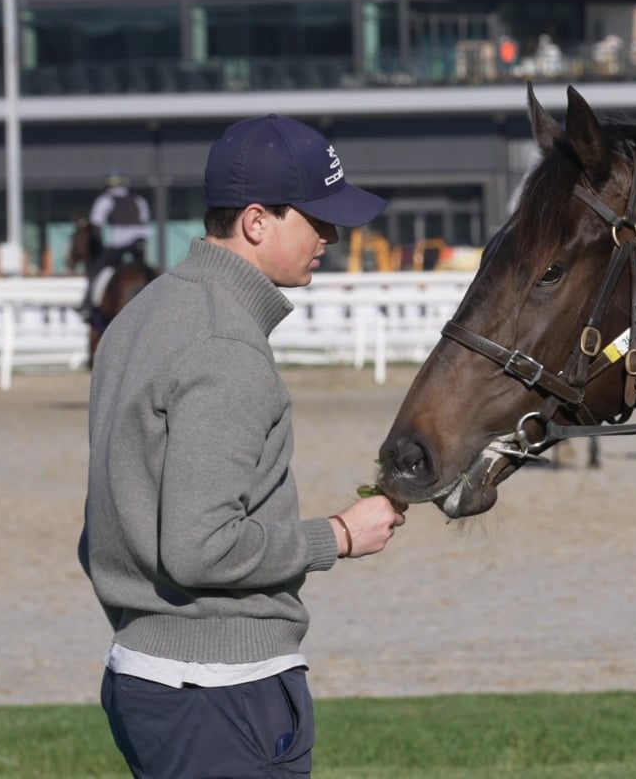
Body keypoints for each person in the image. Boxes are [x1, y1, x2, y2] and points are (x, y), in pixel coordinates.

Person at [80, 114, 406, 777]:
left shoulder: (140, 313)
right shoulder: (225, 345)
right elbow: (201, 547)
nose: (331, 237)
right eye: (317, 219)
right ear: (257, 221)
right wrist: (339, 536)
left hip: (151, 674)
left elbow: (104, 527)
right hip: (222, 688)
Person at [83, 173, 155, 320]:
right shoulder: (138, 199)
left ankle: (88, 306)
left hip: (119, 243)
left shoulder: (105, 199)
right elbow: (145, 220)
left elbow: (96, 223)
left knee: (96, 271)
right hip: (139, 242)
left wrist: (99, 243)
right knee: (148, 272)